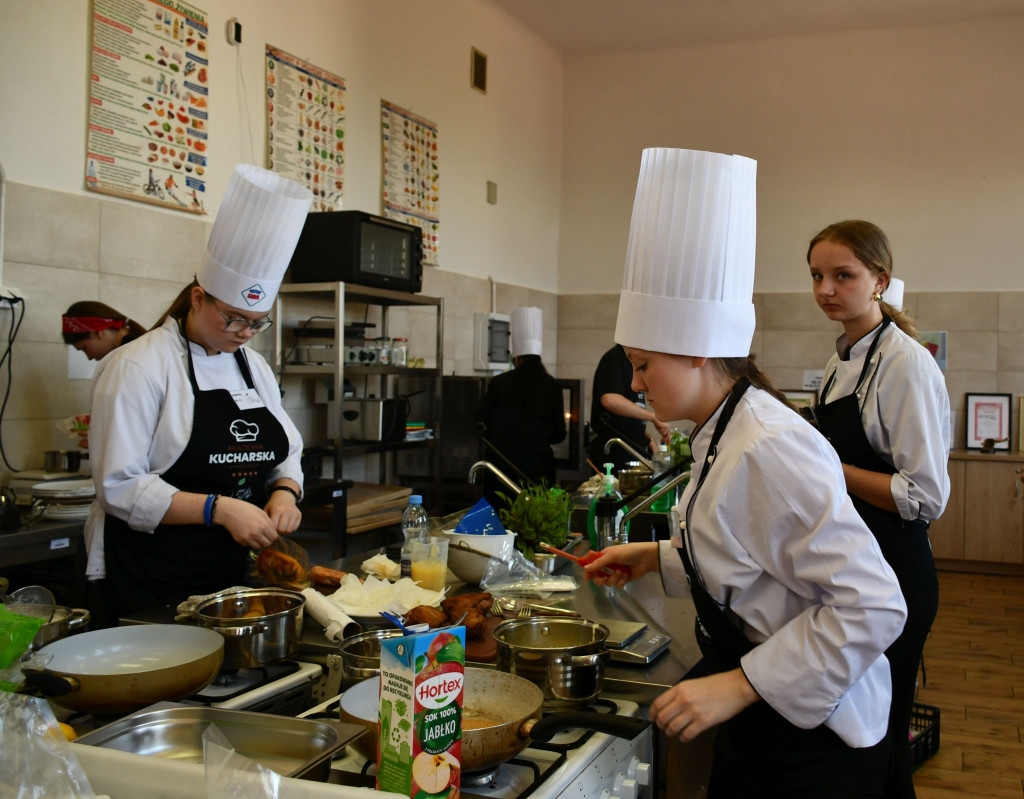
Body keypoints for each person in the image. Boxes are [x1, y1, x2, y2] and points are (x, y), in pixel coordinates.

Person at [584, 148, 907, 797]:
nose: (638, 384)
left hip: (816, 736)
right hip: (767, 704)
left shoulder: (766, 444)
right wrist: (656, 556)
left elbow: (874, 605)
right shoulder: (721, 429)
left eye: (645, 365)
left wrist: (736, 685)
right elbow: (753, 554)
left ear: (699, 352)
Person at [87, 164, 312, 617]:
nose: (245, 333)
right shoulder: (138, 365)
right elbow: (118, 486)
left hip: (233, 573)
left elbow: (286, 448)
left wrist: (285, 491)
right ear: (197, 298)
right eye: (232, 318)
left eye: (256, 323)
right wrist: (218, 509)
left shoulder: (255, 368)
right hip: (153, 574)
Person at [808, 220, 949, 798]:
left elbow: (923, 496)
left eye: (844, 275)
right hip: (857, 566)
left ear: (879, 282)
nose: (826, 289)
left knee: (885, 738)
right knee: (861, 731)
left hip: (897, 571)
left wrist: (824, 466)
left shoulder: (905, 363)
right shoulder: (842, 357)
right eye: (817, 275)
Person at [476, 306, 566, 507]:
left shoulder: (499, 383)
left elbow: (480, 424)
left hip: (500, 471)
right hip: (538, 470)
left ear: (516, 358)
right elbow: (559, 434)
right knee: (533, 525)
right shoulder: (552, 386)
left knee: (500, 526)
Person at [587, 343, 670, 470]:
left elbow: (626, 421)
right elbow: (610, 399)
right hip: (614, 456)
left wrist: (647, 440)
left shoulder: (632, 363)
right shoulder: (614, 359)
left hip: (632, 453)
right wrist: (653, 417)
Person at [62, 301, 147, 361]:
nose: (89, 357)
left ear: (99, 332)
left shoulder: (130, 359)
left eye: (84, 349)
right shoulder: (136, 348)